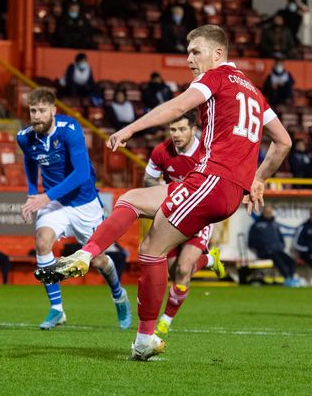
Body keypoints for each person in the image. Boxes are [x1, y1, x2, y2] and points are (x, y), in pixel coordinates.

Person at [37, 24, 292, 360]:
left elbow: (174, 108)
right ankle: (88, 255)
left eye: (195, 51)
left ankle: (143, 339)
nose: (189, 59)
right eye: (187, 52)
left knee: (152, 251)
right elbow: (283, 141)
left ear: (218, 54)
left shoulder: (214, 78)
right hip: (220, 186)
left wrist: (129, 128)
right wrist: (257, 179)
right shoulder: (255, 93)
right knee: (131, 199)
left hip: (211, 180)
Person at [17, 87, 132, 331]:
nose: (36, 116)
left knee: (99, 261)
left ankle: (118, 294)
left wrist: (43, 197)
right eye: (33, 111)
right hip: (56, 204)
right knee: (42, 242)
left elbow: (80, 174)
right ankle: (57, 309)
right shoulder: (24, 137)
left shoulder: (69, 130)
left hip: (84, 203)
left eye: (41, 111)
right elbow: (29, 159)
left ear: (53, 111)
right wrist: (31, 192)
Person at [144, 111, 226, 336]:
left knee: (182, 268)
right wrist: (163, 191)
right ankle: (209, 260)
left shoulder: (205, 152)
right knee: (173, 270)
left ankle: (166, 321)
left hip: (200, 216)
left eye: (181, 130)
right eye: (173, 130)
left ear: (193, 130)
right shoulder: (161, 151)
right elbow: (148, 179)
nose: (176, 135)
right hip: (174, 215)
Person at [248, 204, 300, 287]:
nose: (269, 214)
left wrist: (281, 246)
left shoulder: (275, 225)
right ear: (263, 212)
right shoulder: (256, 225)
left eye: (270, 212)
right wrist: (263, 247)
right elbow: (251, 242)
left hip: (277, 250)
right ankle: (287, 278)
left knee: (291, 261)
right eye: (267, 212)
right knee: (278, 259)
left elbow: (281, 238)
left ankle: (291, 278)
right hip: (264, 252)